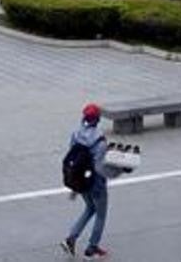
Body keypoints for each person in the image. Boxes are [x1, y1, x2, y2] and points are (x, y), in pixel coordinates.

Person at [62, 103, 113, 259]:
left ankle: (71, 238)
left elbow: (73, 157)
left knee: (90, 208)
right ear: (97, 120)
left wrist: (75, 187)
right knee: (101, 214)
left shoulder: (76, 134)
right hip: (96, 183)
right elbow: (101, 166)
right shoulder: (100, 140)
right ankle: (92, 248)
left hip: (81, 182)